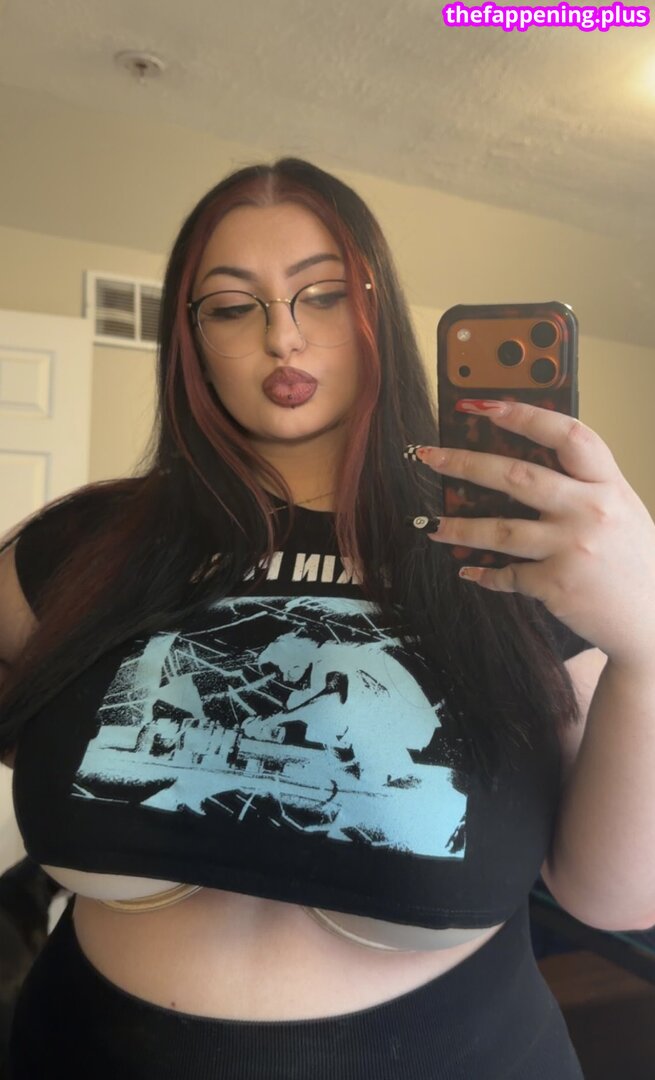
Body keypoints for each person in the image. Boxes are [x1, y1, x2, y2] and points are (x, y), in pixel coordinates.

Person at [0, 157, 653, 1079]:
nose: (283, 337)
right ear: (190, 339)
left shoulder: (515, 542)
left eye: (324, 294)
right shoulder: (87, 539)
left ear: (376, 313)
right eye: (233, 306)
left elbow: (611, 897)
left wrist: (646, 645)